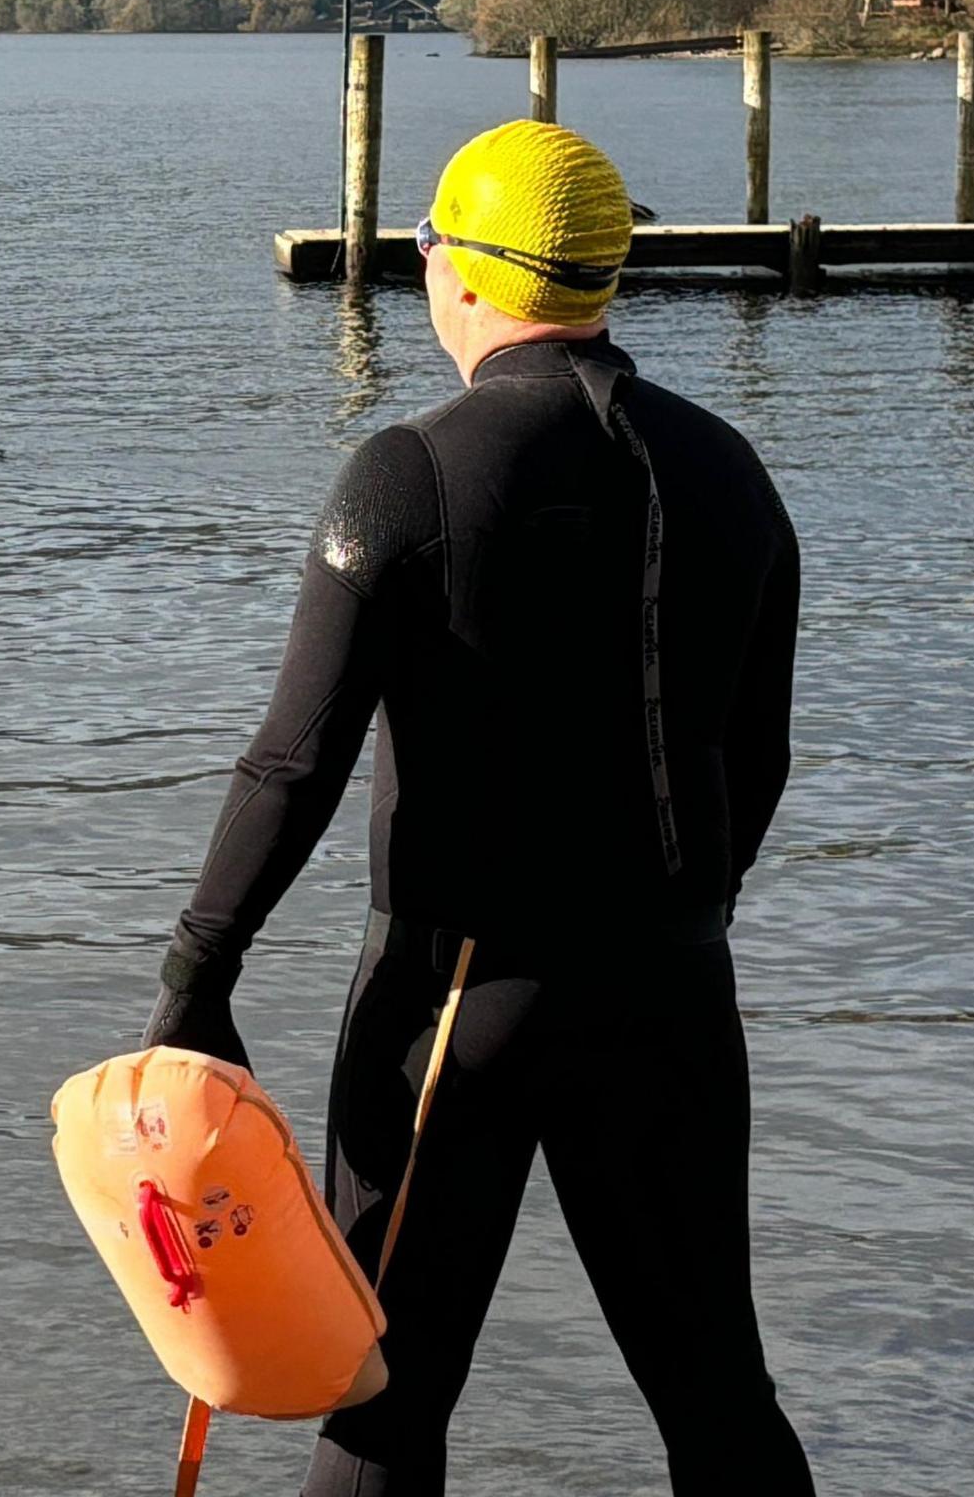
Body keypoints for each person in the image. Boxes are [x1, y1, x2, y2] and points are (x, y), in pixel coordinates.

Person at [145, 121, 814, 1495]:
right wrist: (673, 915)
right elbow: (760, 755)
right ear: (600, 276)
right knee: (716, 1395)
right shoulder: (730, 472)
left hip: (458, 998)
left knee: (381, 1398)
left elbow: (293, 765)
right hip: (677, 995)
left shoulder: (410, 474)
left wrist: (196, 980)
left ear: (454, 269)